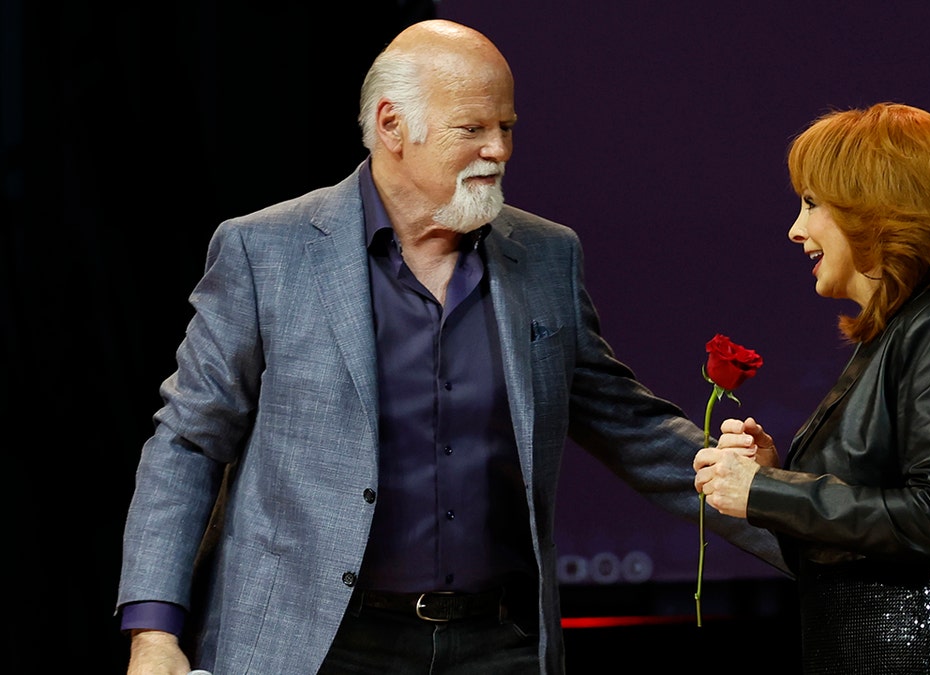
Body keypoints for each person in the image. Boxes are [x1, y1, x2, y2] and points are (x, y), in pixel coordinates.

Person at [116, 18, 786, 675]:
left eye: (507, 128)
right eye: (474, 129)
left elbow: (634, 429)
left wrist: (805, 526)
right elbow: (188, 443)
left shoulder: (547, 255)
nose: (499, 150)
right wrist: (153, 633)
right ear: (391, 126)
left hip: (496, 642)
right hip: (313, 643)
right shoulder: (265, 250)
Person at [693, 102, 930, 673]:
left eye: (812, 204)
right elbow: (859, 540)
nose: (796, 229)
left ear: (878, 210)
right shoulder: (900, 333)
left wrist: (767, 493)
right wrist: (770, 479)